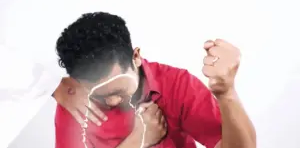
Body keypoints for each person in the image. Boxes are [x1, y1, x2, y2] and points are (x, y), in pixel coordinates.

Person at [53, 12, 256, 148]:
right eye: (98, 95)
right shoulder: (76, 103)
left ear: (136, 57)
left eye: (118, 91)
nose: (112, 102)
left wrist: (227, 94)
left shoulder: (176, 84)